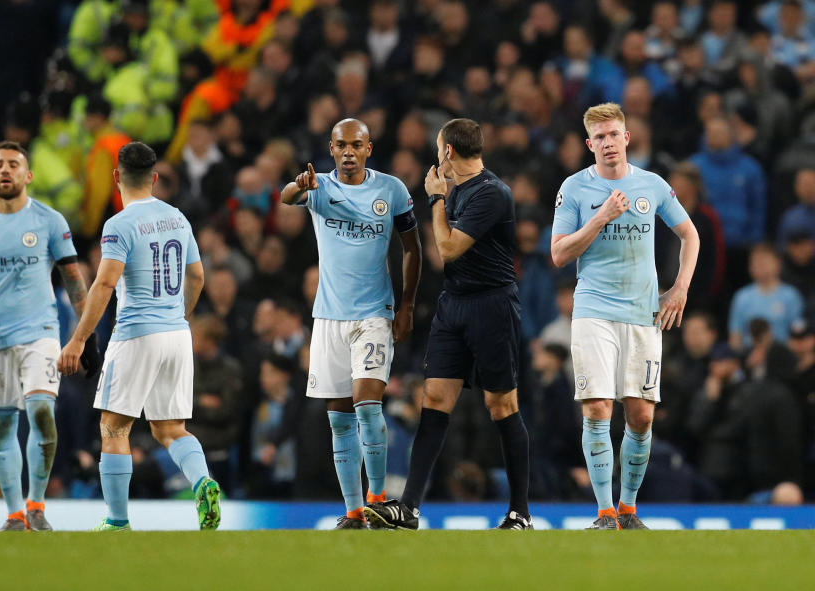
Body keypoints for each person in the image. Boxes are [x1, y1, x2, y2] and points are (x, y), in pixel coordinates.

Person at [366, 118, 534, 531]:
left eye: (438, 147)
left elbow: (448, 249)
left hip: (492, 308)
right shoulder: (462, 189)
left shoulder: (492, 193)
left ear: (447, 152)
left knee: (502, 406)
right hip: (453, 305)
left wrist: (437, 200)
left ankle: (520, 512)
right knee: (434, 399)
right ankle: (409, 509)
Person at [549, 103, 699, 529]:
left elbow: (690, 234)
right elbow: (559, 254)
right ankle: (603, 511)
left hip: (642, 314)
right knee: (597, 408)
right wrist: (601, 217)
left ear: (627, 137)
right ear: (589, 144)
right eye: (600, 138)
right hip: (594, 310)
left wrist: (680, 287)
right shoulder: (575, 189)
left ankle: (629, 509)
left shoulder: (651, 185)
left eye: (614, 134)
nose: (608, 143)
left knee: (641, 414)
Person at [57, 141, 221, 531]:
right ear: (155, 178)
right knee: (171, 429)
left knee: (114, 427)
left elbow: (104, 284)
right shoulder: (178, 218)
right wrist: (179, 316)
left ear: (116, 177)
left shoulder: (119, 225)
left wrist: (78, 340)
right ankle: (203, 481)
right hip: (177, 335)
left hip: (136, 334)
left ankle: (117, 522)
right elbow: (197, 276)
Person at [279, 118, 422, 529]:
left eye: (356, 145)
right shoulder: (318, 186)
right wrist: (298, 186)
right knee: (339, 417)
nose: (348, 152)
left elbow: (412, 249)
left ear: (368, 149)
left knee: (367, 404)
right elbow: (287, 197)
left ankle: (377, 499)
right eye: (341, 145)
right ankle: (355, 511)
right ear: (331, 148)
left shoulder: (391, 190)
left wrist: (408, 304)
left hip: (374, 314)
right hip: (327, 318)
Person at [0, 142, 98, 531]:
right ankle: (15, 514)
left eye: (13, 164)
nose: (5, 170)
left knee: (40, 411)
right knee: (1, 426)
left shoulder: (49, 221)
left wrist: (86, 337)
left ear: (27, 175)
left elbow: (73, 279)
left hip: (40, 332)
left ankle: (37, 504)